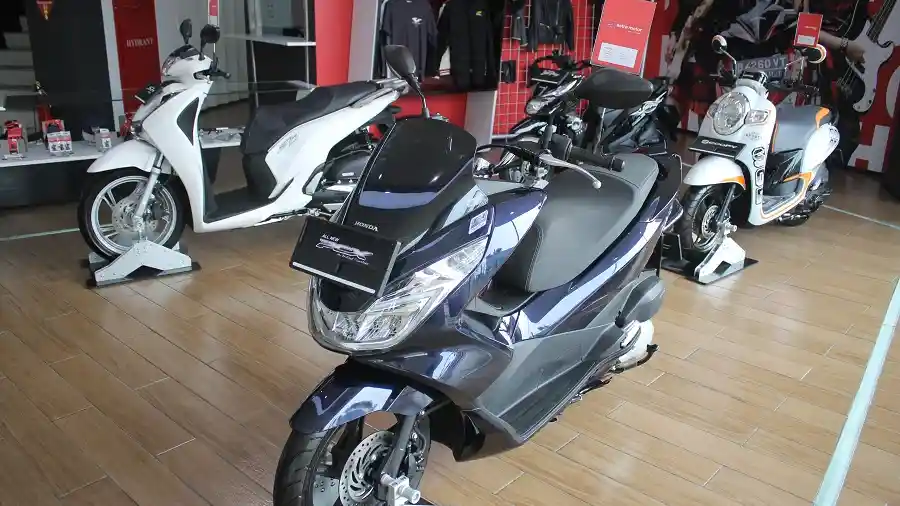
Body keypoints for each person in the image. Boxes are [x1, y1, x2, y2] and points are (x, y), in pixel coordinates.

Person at [797, 0, 869, 169]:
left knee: (845, 132)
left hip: (849, 63)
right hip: (817, 60)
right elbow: (803, 30)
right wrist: (844, 44)